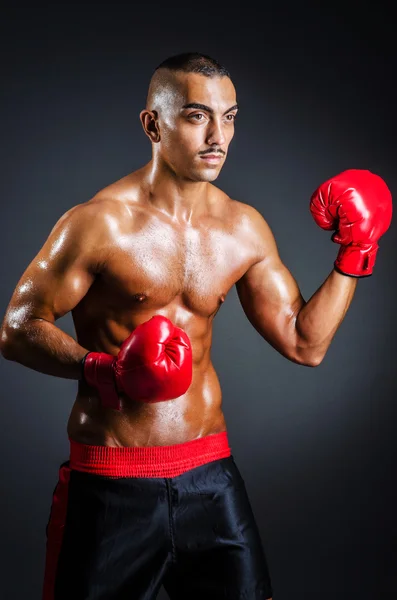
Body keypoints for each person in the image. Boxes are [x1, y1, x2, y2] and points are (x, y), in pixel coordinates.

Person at [0, 52, 392, 600]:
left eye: (229, 117)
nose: (218, 136)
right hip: (112, 483)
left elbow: (307, 343)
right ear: (152, 124)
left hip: (211, 479)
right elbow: (18, 327)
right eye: (196, 115)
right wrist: (102, 369)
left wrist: (356, 253)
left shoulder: (242, 227)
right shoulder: (96, 224)